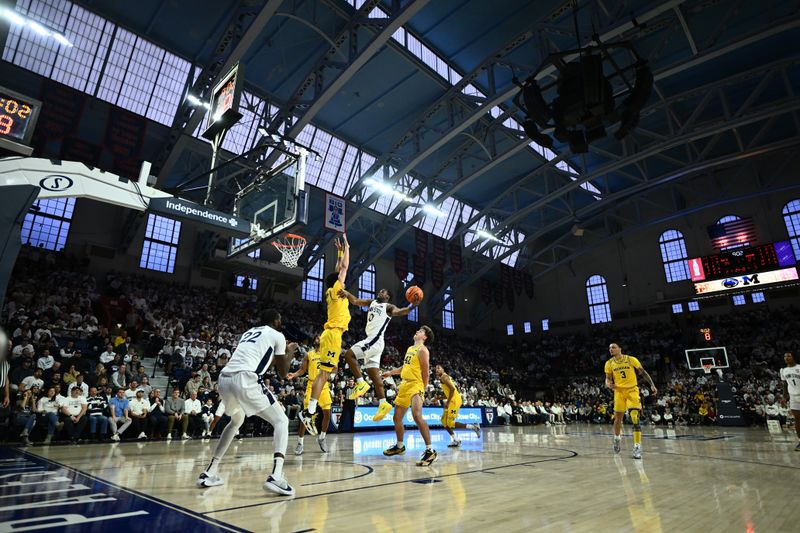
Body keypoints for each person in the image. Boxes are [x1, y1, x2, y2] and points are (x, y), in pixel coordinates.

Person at [196, 309, 298, 496]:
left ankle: (210, 471)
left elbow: (267, 359)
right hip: (246, 378)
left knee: (236, 420)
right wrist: (289, 352)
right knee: (281, 421)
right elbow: (283, 374)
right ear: (276, 321)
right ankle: (276, 476)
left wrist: (282, 355)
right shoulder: (278, 335)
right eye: (280, 320)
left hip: (225, 378)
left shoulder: (249, 332)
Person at [337, 287, 416, 421]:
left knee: (349, 355)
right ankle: (383, 403)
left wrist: (413, 305)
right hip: (374, 342)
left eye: (384, 291)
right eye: (381, 291)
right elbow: (356, 301)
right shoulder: (372, 302)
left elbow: (402, 311)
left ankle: (360, 382)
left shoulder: (388, 307)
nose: (381, 292)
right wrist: (347, 293)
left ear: (388, 297)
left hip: (374, 340)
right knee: (374, 376)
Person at [300, 234, 350, 435]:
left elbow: (338, 269)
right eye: (341, 280)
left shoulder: (332, 290)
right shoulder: (337, 290)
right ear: (337, 283)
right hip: (332, 335)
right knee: (324, 374)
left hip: (332, 335)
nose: (343, 282)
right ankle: (310, 410)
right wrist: (347, 247)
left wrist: (338, 252)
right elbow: (344, 268)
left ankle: (310, 410)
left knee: (325, 373)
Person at [381, 326, 438, 466]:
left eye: (421, 331)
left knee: (417, 415)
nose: (417, 331)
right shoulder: (410, 349)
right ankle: (400, 446)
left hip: (416, 385)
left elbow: (426, 372)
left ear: (424, 337)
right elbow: (404, 367)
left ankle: (430, 450)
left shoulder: (423, 350)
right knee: (397, 418)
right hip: (404, 385)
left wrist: (423, 389)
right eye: (418, 330)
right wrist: (391, 372)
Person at [604, 343, 657, 459]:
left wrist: (652, 385)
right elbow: (608, 379)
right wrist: (608, 384)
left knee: (634, 417)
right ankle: (617, 438)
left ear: (620, 349)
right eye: (609, 348)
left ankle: (637, 447)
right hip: (618, 392)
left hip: (632, 391)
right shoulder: (609, 363)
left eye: (613, 347)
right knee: (618, 419)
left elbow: (643, 372)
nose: (611, 349)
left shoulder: (630, 359)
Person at [287, 335, 330, 455]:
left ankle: (322, 438)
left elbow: (335, 367)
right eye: (317, 337)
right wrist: (294, 375)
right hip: (312, 385)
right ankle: (300, 443)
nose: (318, 338)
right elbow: (302, 370)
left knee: (327, 414)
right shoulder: (308, 354)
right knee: (306, 416)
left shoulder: (327, 353)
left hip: (324, 386)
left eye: (320, 337)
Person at [434, 365, 480, 447]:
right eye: (436, 369)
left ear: (443, 369)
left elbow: (452, 389)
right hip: (452, 399)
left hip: (454, 401)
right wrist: (438, 398)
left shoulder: (444, 377)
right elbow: (449, 393)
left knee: (450, 423)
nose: (437, 370)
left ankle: (474, 427)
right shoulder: (443, 378)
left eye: (439, 368)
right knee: (444, 421)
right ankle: (456, 440)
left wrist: (447, 402)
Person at [780, 352, 800, 451]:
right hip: (793, 397)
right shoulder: (783, 370)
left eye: (788, 356)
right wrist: (784, 397)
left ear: (793, 357)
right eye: (785, 356)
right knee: (797, 420)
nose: (786, 358)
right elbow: (784, 385)